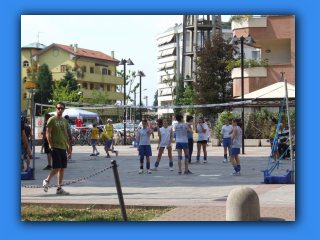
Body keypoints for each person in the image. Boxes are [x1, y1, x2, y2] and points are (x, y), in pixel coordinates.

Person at [42, 102, 72, 195]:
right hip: (55, 147)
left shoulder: (64, 121)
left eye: (62, 108)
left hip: (63, 147)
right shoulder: (51, 119)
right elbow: (47, 133)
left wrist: (69, 148)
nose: (60, 110)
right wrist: (51, 145)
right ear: (56, 109)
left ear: (64, 110)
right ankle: (47, 180)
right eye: (58, 108)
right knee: (57, 167)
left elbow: (66, 135)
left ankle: (59, 188)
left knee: (62, 168)